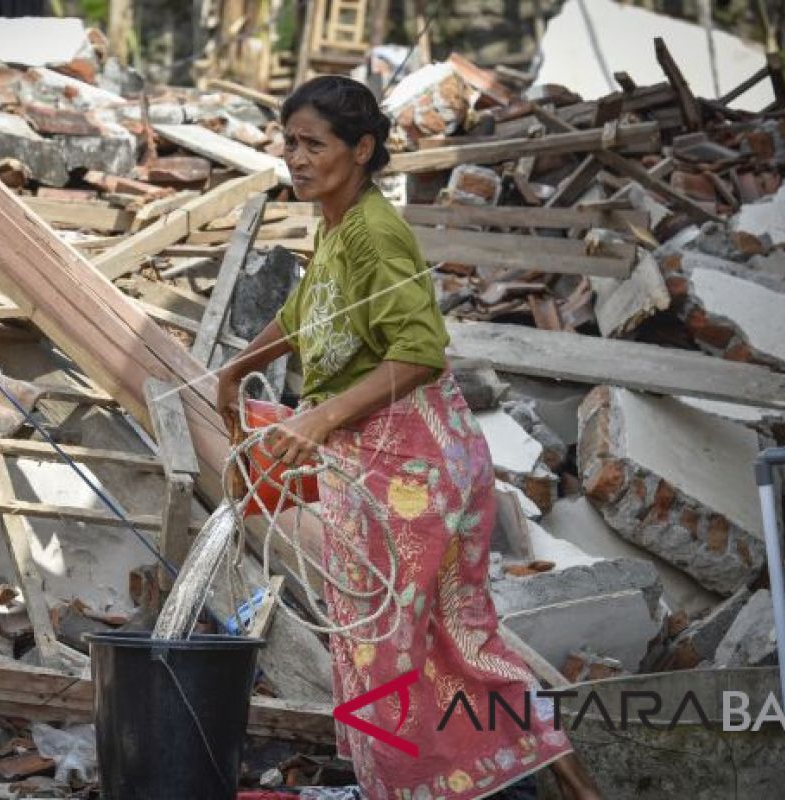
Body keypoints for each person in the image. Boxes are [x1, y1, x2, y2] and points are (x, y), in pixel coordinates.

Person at [216, 75, 601, 800]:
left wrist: (319, 417)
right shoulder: (334, 224)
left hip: (414, 469)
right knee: (426, 646)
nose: (296, 158)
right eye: (288, 142)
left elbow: (420, 351)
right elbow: (307, 310)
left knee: (403, 651)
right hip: (388, 469)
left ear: (362, 149)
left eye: (314, 144)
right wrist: (237, 369)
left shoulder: (375, 232)